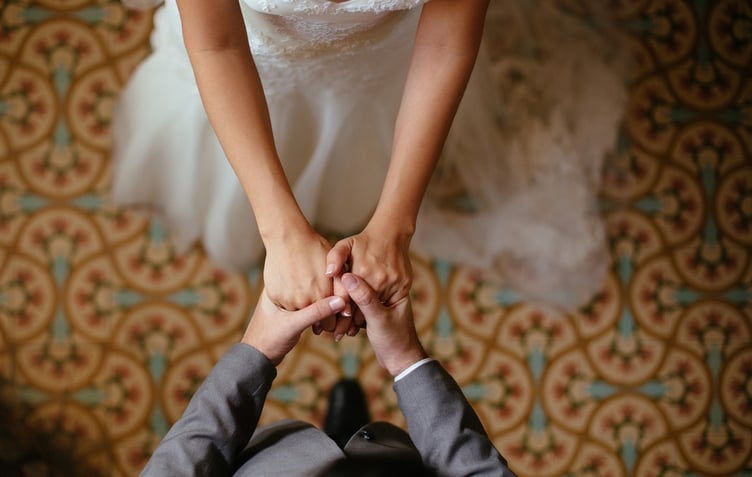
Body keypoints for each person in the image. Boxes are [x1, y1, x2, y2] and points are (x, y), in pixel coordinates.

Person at [113, 0, 627, 317]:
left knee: (359, 146)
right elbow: (217, 46)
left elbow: (447, 43)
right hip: (247, 57)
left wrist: (393, 228)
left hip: (381, 67)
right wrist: (280, 233)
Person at [139, 273, 514, 476]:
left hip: (285, 460)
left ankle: (341, 431)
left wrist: (257, 350)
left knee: (341, 435)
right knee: (365, 442)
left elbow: (180, 467)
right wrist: (406, 360)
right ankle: (353, 431)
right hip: (396, 463)